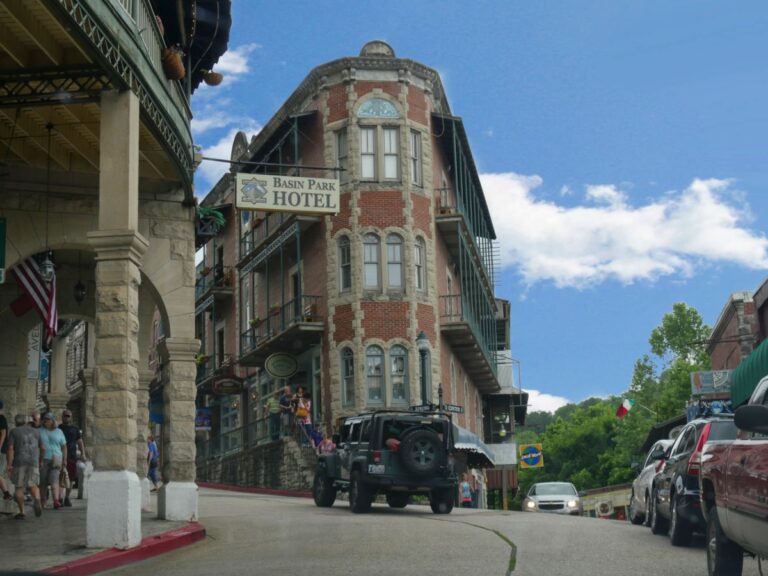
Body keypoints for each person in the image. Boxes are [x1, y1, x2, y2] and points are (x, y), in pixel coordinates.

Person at [7, 413, 44, 519]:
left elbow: (10, 449)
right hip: (33, 462)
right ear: (26, 421)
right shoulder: (36, 432)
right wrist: (40, 460)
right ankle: (37, 499)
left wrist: (9, 464)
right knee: (33, 485)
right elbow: (43, 448)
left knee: (19, 488)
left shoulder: (14, 432)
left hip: (19, 462)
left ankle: (22, 512)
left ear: (15, 422)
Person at [59, 409, 86, 507]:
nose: (66, 418)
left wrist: (83, 454)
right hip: (59, 456)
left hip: (72, 456)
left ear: (71, 417)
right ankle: (59, 498)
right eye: (65, 416)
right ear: (62, 417)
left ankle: (66, 497)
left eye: (68, 416)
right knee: (59, 478)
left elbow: (80, 442)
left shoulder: (75, 428)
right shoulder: (59, 428)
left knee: (70, 478)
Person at [39, 412, 67, 509]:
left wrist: (65, 459)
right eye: (45, 419)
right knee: (43, 481)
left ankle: (56, 500)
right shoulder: (39, 431)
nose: (46, 421)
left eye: (48, 419)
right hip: (43, 458)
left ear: (52, 421)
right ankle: (43, 501)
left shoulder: (59, 431)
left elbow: (64, 446)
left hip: (56, 458)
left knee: (54, 480)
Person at [0, 400, 13, 501]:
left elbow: (3, 434)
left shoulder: (1, 418)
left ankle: (6, 493)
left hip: (1, 451)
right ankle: (6, 493)